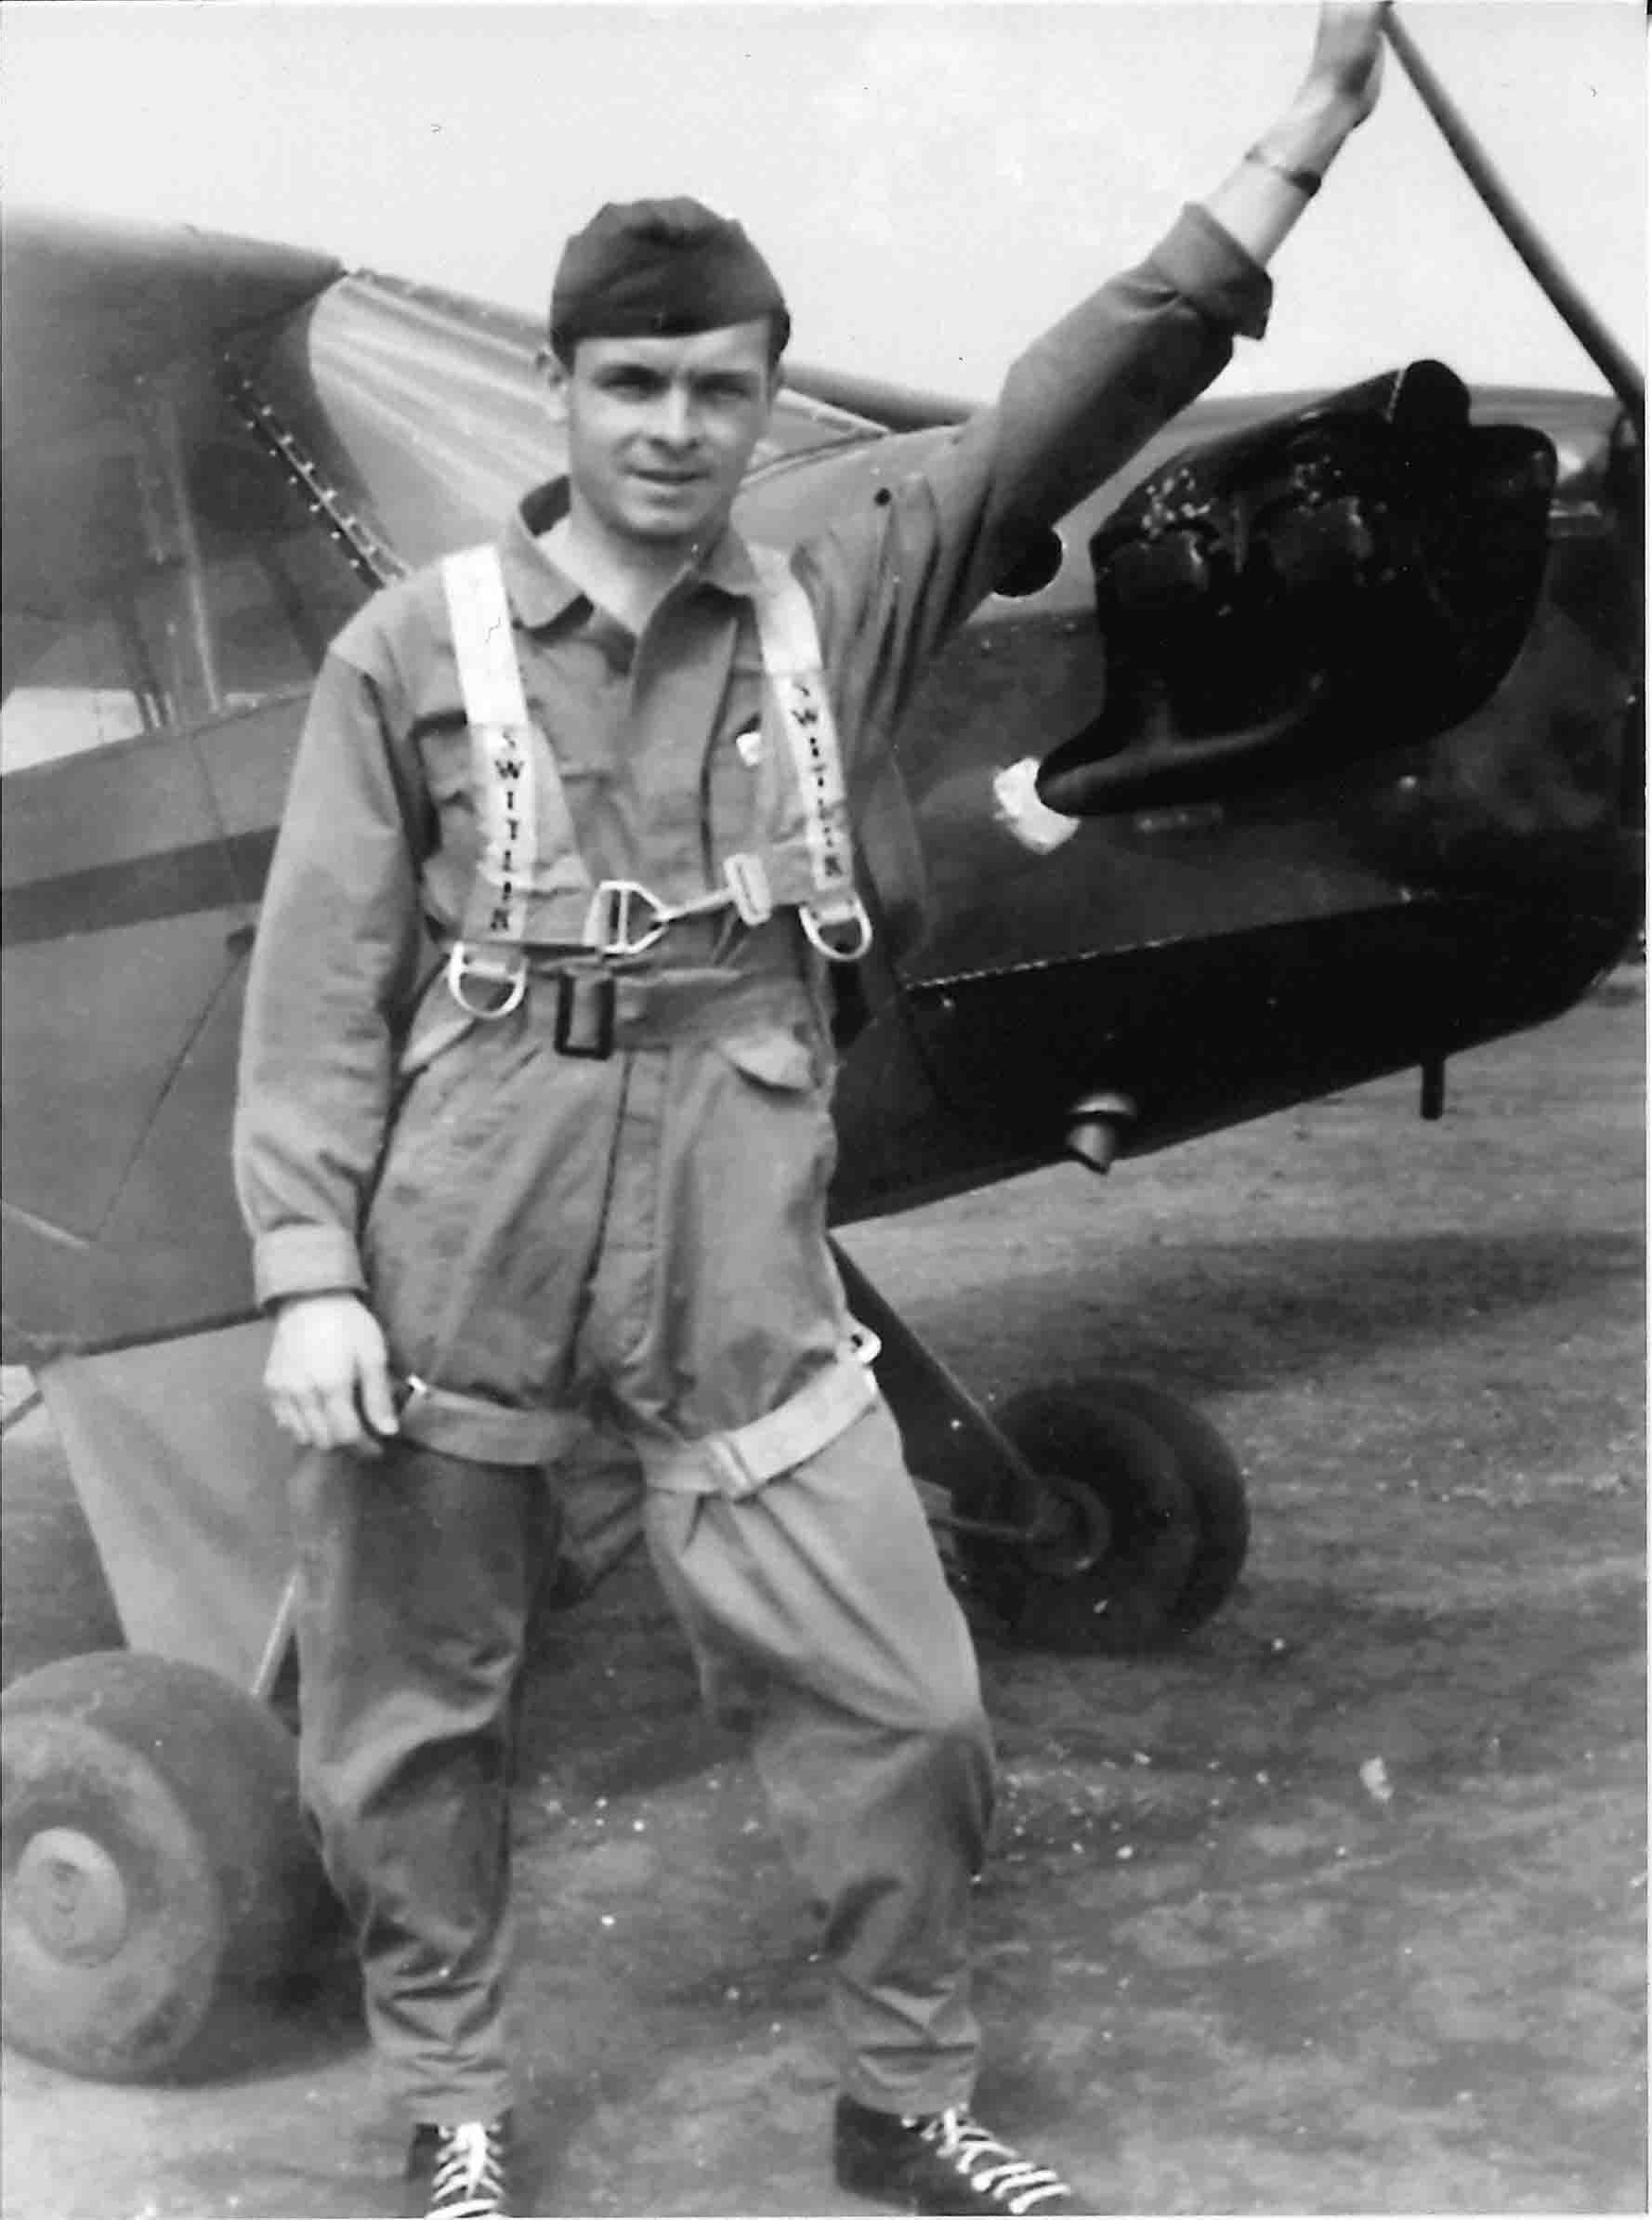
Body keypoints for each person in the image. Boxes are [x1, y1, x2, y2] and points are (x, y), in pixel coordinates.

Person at [235, 9, 1389, 2213]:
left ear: (768, 399)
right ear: (567, 398)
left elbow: (1079, 396)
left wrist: (1292, 151)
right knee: (410, 1716)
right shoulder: (413, 648)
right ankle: (458, 2107)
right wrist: (305, 1271)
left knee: (911, 1701)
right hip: (463, 1215)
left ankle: (902, 2097)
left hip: (744, 1226)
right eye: (634, 383)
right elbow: (313, 995)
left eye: (720, 385)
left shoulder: (834, 598)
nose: (677, 426)